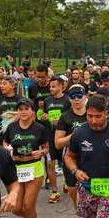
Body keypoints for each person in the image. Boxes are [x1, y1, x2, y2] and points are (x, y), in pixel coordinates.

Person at [64, 95, 109, 218]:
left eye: (98, 116)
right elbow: (69, 156)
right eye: (89, 116)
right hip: (86, 187)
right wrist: (75, 171)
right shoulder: (79, 132)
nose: (93, 120)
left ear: (106, 113)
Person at [3, 98, 47, 218]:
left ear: (32, 111)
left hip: (34, 168)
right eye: (20, 109)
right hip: (16, 169)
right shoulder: (12, 127)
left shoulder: (39, 128)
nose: (23, 112)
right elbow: (4, 143)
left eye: (26, 109)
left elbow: (46, 148)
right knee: (16, 209)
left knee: (28, 205)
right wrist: (8, 149)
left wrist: (41, 153)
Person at [55, 84, 89, 218]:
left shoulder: (92, 114)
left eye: (79, 96)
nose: (76, 100)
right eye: (73, 97)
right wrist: (75, 135)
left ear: (85, 97)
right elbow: (58, 143)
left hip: (90, 160)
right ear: (69, 99)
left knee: (86, 201)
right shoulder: (66, 117)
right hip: (71, 161)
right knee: (76, 199)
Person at [43, 75, 71, 203]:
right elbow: (43, 116)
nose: (51, 88)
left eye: (54, 86)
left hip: (63, 137)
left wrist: (59, 122)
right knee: (50, 163)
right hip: (50, 136)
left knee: (65, 162)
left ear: (61, 86)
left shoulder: (67, 101)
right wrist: (43, 117)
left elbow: (71, 117)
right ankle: (54, 191)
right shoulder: (47, 101)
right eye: (50, 86)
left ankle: (67, 182)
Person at [0, 76, 22, 142]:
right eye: (1, 84)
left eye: (4, 84)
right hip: (1, 135)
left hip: (17, 134)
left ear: (12, 86)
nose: (1, 86)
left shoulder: (20, 100)